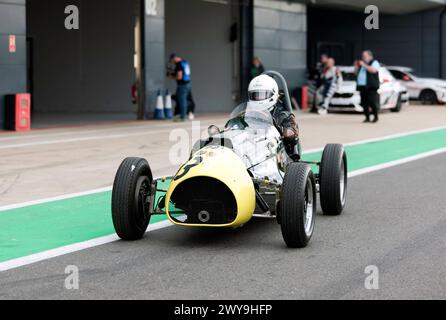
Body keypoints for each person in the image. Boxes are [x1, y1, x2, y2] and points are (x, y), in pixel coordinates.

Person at [247, 74, 300, 160]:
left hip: (277, 157)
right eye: (256, 95)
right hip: (251, 153)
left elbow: (293, 137)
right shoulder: (247, 115)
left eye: (262, 95)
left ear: (274, 94)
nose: (259, 99)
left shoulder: (284, 116)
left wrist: (284, 131)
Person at [355, 50, 381, 123]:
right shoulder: (362, 64)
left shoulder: (374, 62)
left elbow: (373, 70)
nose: (363, 58)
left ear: (370, 56)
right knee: (364, 102)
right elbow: (356, 73)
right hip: (362, 86)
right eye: (362, 56)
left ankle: (375, 117)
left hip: (371, 86)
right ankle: (367, 117)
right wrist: (356, 67)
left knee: (372, 102)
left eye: (364, 56)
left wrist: (363, 65)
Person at [167, 53, 192, 122]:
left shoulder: (179, 64)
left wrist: (171, 76)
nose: (172, 63)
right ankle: (183, 114)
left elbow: (179, 76)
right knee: (182, 99)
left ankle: (183, 116)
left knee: (182, 100)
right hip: (187, 83)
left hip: (182, 85)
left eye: (172, 61)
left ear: (173, 59)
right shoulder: (185, 62)